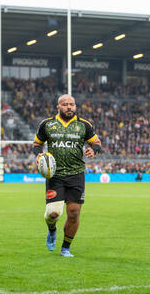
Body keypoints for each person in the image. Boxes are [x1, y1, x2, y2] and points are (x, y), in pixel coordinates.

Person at [33, 94, 101, 257]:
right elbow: (37, 144)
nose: (69, 107)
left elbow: (96, 142)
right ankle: (52, 230)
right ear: (58, 107)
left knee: (74, 213)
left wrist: (94, 150)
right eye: (65, 104)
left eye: (72, 104)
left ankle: (65, 248)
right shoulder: (47, 124)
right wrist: (38, 155)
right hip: (54, 175)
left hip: (76, 174)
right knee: (53, 214)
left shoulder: (84, 125)